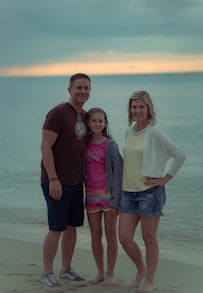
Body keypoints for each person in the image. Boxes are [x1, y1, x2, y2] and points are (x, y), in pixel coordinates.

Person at [118, 91, 186, 292]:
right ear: (130, 110)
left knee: (149, 238)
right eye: (134, 107)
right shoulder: (128, 132)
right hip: (128, 193)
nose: (137, 110)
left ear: (149, 109)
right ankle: (141, 270)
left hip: (149, 193)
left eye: (141, 107)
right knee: (124, 237)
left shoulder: (154, 132)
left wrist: (164, 179)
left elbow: (179, 155)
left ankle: (150, 281)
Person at [40, 73, 91, 292]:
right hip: (56, 182)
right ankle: (47, 273)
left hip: (76, 182)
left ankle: (66, 269)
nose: (83, 91)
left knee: (72, 228)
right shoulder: (58, 113)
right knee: (56, 228)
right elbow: (45, 146)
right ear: (69, 90)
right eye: (79, 87)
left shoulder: (86, 116)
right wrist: (53, 179)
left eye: (87, 88)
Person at [84, 108, 123, 286]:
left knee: (111, 234)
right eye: (94, 121)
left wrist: (116, 200)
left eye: (101, 121)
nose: (98, 124)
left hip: (108, 197)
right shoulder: (83, 144)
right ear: (88, 124)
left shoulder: (111, 146)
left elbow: (119, 174)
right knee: (95, 234)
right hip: (90, 196)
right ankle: (99, 272)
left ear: (105, 123)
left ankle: (110, 273)